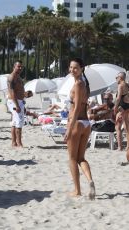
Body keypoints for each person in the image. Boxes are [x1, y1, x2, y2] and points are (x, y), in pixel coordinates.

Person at [64, 57, 95, 199]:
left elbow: (76, 109)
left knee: (71, 158)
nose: (72, 70)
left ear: (82, 68)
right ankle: (90, 181)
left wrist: (69, 129)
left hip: (76, 123)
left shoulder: (78, 84)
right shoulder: (85, 84)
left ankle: (77, 190)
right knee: (81, 158)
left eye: (75, 68)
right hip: (86, 124)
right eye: (70, 67)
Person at [7, 60, 25, 147]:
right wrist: (17, 105)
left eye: (21, 66)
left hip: (19, 101)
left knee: (14, 122)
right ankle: (19, 143)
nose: (20, 68)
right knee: (19, 123)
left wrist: (24, 97)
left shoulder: (18, 77)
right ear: (14, 67)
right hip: (15, 102)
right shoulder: (12, 77)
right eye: (18, 66)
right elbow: (12, 92)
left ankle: (14, 143)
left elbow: (19, 90)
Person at [114, 72, 129, 159]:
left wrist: (115, 107)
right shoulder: (127, 85)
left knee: (117, 126)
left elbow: (118, 97)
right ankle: (127, 146)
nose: (116, 79)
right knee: (127, 127)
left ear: (120, 77)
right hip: (127, 106)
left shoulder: (120, 86)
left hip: (122, 107)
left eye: (117, 77)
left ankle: (120, 147)